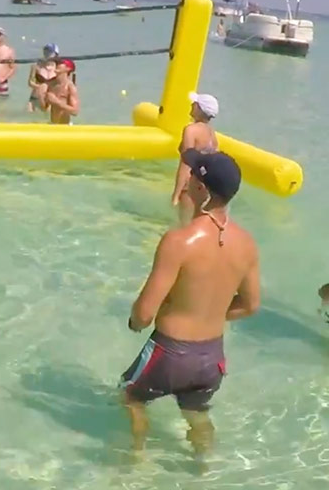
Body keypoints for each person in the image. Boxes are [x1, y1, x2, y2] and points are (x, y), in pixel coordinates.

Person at [121, 150, 259, 456]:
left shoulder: (179, 241)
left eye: (193, 174)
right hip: (212, 358)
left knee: (130, 397)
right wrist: (207, 311)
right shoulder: (247, 243)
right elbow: (250, 305)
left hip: (169, 353)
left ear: (202, 189)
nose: (186, 178)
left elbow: (144, 314)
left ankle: (136, 464)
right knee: (197, 414)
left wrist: (134, 322)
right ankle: (203, 469)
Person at [172, 93, 219, 225]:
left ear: (199, 109)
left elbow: (186, 163)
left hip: (190, 186)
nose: (192, 105)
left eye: (195, 104)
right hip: (204, 187)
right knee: (197, 225)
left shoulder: (191, 130)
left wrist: (176, 194)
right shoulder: (211, 134)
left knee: (183, 226)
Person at [46, 58, 80, 125]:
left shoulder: (70, 87)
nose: (57, 64)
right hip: (52, 123)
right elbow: (43, 108)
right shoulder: (50, 84)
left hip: (65, 126)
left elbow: (75, 111)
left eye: (61, 63)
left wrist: (56, 102)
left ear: (68, 68)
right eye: (57, 63)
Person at [27, 43, 59, 112]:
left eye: (49, 52)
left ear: (55, 54)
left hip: (50, 100)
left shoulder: (58, 68)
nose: (47, 53)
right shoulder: (36, 66)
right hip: (35, 99)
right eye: (45, 51)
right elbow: (30, 82)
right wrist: (40, 87)